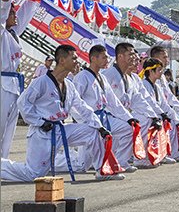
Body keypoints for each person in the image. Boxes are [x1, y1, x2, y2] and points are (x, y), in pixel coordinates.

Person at [1, 45, 123, 182]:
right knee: (33, 175)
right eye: (74, 58)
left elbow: (82, 107)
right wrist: (40, 122)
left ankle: (103, 170)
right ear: (62, 60)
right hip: (42, 132)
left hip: (61, 129)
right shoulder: (41, 82)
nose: (77, 61)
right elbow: (23, 103)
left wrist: (99, 127)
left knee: (92, 132)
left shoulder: (69, 85)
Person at [73, 44, 139, 172]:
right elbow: (74, 103)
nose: (107, 60)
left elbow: (113, 103)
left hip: (103, 118)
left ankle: (118, 163)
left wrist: (129, 118)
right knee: (81, 166)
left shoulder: (102, 78)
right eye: (103, 57)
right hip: (89, 122)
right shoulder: (82, 77)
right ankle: (55, 160)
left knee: (128, 129)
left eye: (107, 57)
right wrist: (85, 121)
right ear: (93, 58)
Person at [103, 43, 163, 168]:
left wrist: (155, 115)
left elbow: (139, 100)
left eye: (134, 55)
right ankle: (118, 162)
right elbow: (109, 102)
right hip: (107, 116)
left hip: (122, 115)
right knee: (82, 163)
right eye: (130, 54)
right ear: (120, 56)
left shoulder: (129, 78)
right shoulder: (108, 74)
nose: (134, 58)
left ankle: (121, 162)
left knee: (139, 124)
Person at [1, 0, 41, 159]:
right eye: (11, 12)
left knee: (9, 128)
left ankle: (4, 163)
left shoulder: (14, 32)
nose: (15, 15)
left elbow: (30, 6)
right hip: (2, 83)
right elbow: (2, 8)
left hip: (14, 85)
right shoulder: (1, 32)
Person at [140, 58, 179, 163]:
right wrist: (161, 114)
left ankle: (163, 154)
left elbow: (164, 104)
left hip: (157, 114)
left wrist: (172, 117)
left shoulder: (157, 86)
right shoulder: (144, 84)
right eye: (159, 70)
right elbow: (149, 103)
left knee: (170, 124)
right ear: (151, 71)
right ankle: (144, 159)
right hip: (145, 115)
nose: (161, 72)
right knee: (157, 124)